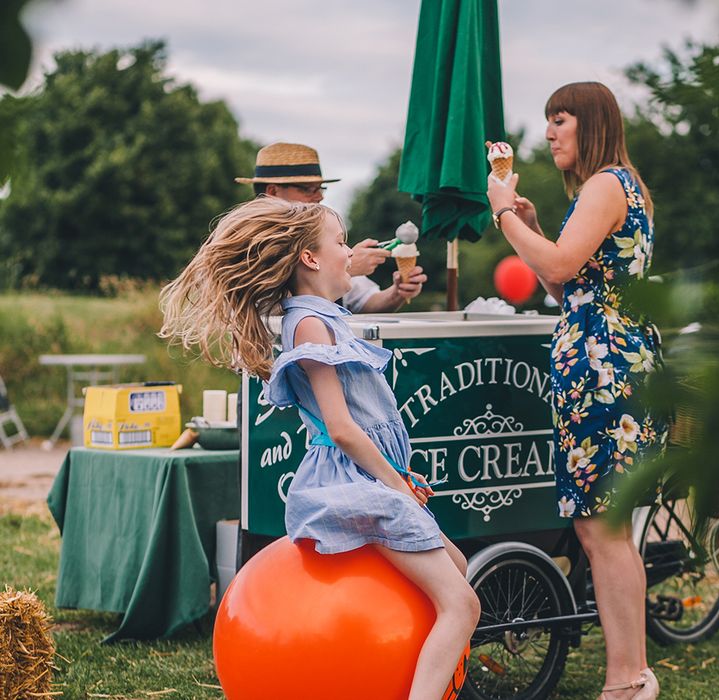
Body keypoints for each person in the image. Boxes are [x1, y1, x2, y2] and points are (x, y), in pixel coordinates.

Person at [158, 197, 479, 700]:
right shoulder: (310, 324)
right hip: (350, 484)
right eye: (341, 241)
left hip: (367, 476)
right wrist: (394, 485)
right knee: (462, 604)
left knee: (458, 567)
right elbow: (343, 428)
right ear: (311, 259)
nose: (348, 252)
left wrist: (398, 476)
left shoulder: (324, 316)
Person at [487, 82, 666, 700]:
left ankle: (627, 680)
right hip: (608, 366)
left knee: (603, 529)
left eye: (559, 120)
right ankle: (634, 674)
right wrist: (535, 227)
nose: (549, 133)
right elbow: (572, 287)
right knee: (603, 529)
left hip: (604, 373)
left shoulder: (606, 184)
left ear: (589, 123)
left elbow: (561, 270)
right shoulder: (622, 186)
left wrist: (504, 211)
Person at [235, 141, 427, 312]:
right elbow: (261, 305)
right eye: (308, 189)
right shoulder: (244, 241)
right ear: (272, 191)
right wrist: (344, 269)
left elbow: (365, 301)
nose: (320, 196)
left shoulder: (320, 233)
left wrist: (398, 292)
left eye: (321, 188)